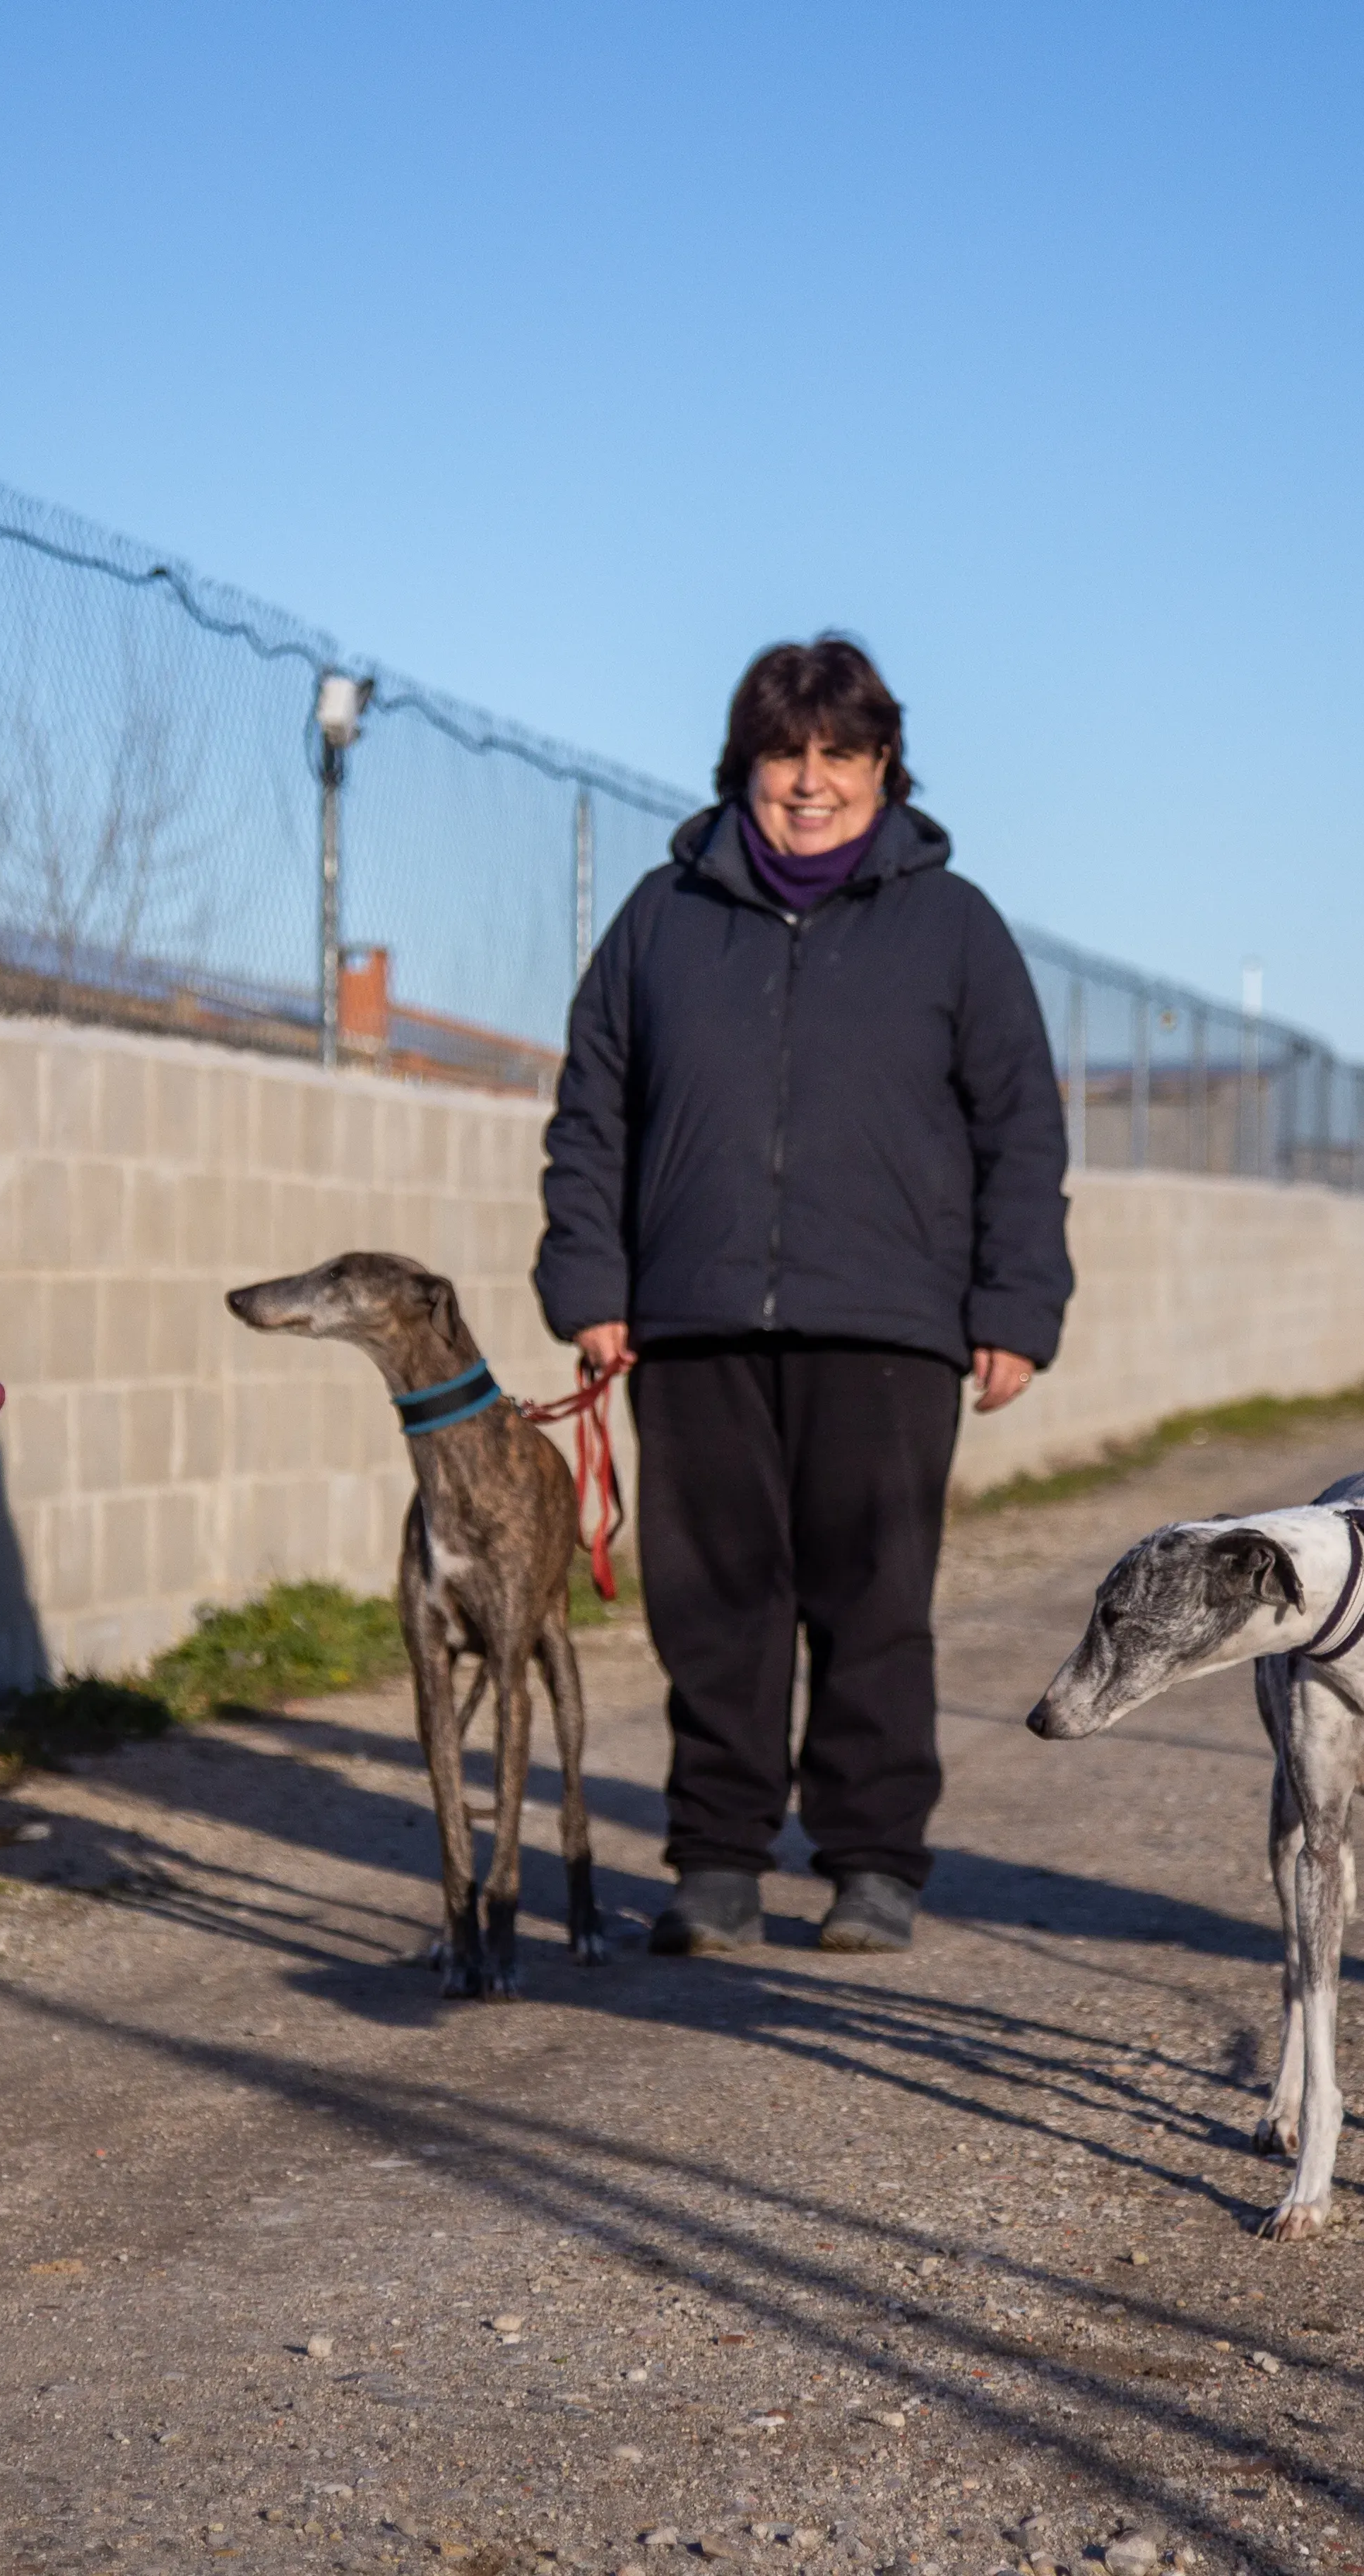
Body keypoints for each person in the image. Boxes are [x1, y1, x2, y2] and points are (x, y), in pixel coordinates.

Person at [537, 637, 1072, 1957]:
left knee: (873, 1603)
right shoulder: (662, 917)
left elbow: (1021, 1129)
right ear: (746, 767)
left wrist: (1015, 1304)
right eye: (787, 753)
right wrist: (592, 1282)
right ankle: (717, 1862)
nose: (812, 781)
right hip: (695, 1315)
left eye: (842, 754)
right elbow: (590, 1112)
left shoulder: (955, 927)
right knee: (714, 1605)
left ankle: (873, 1863)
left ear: (885, 768)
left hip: (890, 1321)